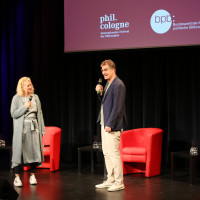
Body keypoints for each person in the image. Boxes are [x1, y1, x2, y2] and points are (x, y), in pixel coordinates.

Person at [95, 59, 127, 192]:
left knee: (114, 153)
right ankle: (111, 179)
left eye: (106, 69)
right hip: (105, 123)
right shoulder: (108, 84)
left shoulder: (118, 84)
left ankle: (119, 182)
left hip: (111, 124)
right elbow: (106, 104)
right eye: (102, 70)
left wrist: (110, 124)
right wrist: (100, 93)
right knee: (106, 153)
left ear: (113, 69)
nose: (104, 72)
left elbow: (117, 107)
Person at [10, 77, 45, 187]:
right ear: (22, 87)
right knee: (19, 153)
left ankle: (32, 175)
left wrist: (42, 129)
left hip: (34, 128)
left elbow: (39, 114)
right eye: (27, 85)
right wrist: (24, 107)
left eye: (30, 84)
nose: (30, 87)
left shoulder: (35, 97)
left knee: (34, 152)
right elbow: (13, 114)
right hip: (21, 129)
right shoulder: (16, 98)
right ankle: (17, 178)